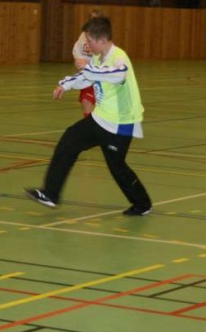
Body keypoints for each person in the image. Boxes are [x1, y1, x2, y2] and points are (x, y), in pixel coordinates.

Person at [25, 15, 153, 216]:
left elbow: (118, 74)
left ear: (101, 40)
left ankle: (143, 204)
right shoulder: (97, 58)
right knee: (69, 141)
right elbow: (87, 76)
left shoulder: (119, 57)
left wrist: (89, 68)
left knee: (117, 166)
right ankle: (51, 193)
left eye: (89, 41)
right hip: (101, 118)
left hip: (120, 123)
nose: (87, 46)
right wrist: (65, 85)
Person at [71, 9, 103, 117]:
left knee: (95, 101)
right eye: (92, 19)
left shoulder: (103, 36)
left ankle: (95, 121)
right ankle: (89, 120)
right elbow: (77, 50)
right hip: (86, 73)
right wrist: (79, 60)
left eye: (97, 19)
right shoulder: (84, 35)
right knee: (86, 99)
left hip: (98, 73)